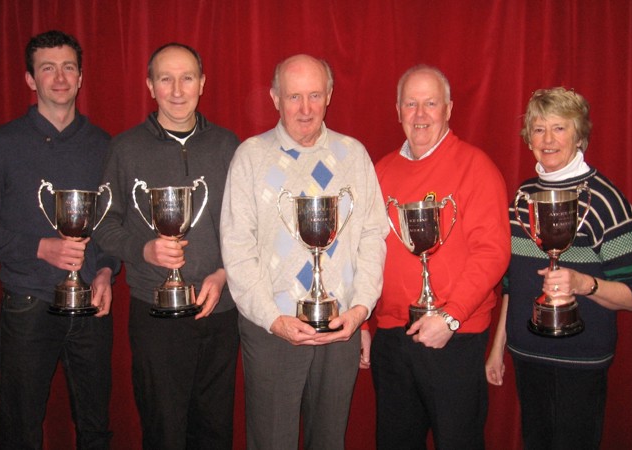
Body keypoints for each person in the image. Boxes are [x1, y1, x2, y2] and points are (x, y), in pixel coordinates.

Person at [0, 30, 118, 449]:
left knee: (96, 428)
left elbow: (110, 227)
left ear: (81, 77)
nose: (60, 77)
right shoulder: (2, 143)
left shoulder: (104, 145)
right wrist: (39, 248)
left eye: (68, 67)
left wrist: (105, 271)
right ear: (31, 80)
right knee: (21, 429)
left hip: (91, 311)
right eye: (48, 68)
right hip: (27, 307)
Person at [220, 54, 388, 449]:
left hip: (340, 327)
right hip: (272, 330)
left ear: (330, 95)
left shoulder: (354, 155)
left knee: (329, 441)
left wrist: (361, 308)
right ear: (275, 98)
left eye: (315, 95)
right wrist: (272, 318)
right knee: (271, 441)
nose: (306, 108)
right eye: (294, 96)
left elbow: (372, 236)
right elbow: (237, 246)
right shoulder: (250, 157)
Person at [91, 43, 240, 450]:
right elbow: (103, 222)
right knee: (164, 430)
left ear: (203, 84)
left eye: (187, 77)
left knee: (214, 431)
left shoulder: (229, 147)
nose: (177, 89)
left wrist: (225, 272)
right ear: (149, 85)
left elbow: (249, 227)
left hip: (220, 310)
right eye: (165, 78)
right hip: (155, 315)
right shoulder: (125, 148)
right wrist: (145, 250)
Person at [485, 87, 632, 449]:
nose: (547, 139)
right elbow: (513, 283)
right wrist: (499, 346)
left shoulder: (607, 200)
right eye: (539, 129)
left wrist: (583, 284)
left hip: (581, 362)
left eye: (559, 128)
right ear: (528, 139)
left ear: (579, 135)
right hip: (527, 355)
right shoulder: (522, 198)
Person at [362, 65, 511, 449]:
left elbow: (492, 253)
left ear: (448, 108)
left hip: (454, 338)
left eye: (430, 103)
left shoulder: (476, 168)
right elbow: (364, 252)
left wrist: (451, 316)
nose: (420, 114)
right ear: (397, 110)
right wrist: (361, 319)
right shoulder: (379, 172)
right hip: (392, 338)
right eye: (411, 104)